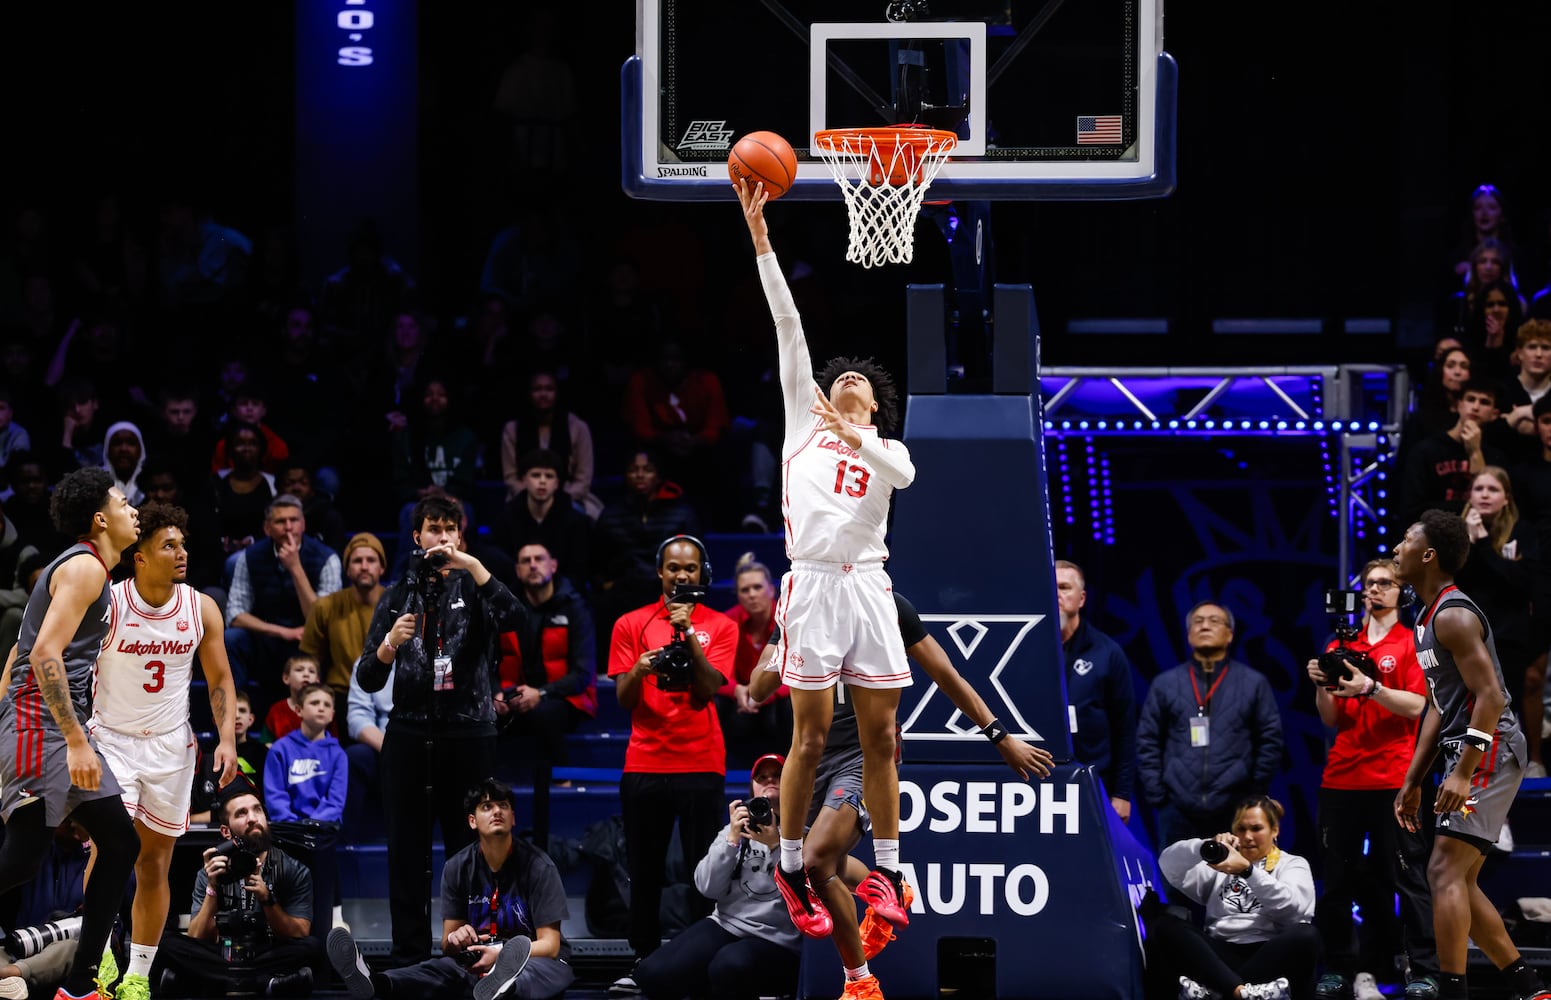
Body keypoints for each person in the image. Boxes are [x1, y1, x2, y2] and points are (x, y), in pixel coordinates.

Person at [737, 177, 917, 1000]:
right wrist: (760, 234)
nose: (848, 386)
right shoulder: (803, 422)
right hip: (810, 585)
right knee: (808, 739)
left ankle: (890, 872)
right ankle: (786, 867)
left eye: (862, 390)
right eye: (840, 382)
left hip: (868, 587)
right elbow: (787, 323)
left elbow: (905, 478)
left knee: (880, 741)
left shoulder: (885, 450)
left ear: (876, 408)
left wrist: (861, 434)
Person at [744, 591, 1054, 979]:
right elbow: (757, 688)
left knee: (816, 859)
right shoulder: (803, 600)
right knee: (830, 865)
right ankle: (888, 896)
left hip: (863, 758)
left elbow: (947, 674)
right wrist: (791, 639)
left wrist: (1000, 736)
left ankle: (859, 981)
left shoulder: (886, 603)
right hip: (809, 758)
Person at [354, 496, 530, 965]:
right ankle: (409, 957)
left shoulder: (477, 589)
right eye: (434, 529)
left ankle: (471, 954)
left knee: (471, 850)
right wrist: (391, 644)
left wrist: (472, 565)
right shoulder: (396, 596)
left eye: (452, 529)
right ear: (417, 537)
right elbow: (368, 677)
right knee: (406, 853)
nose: (443, 537)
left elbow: (519, 620)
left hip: (469, 737)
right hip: (409, 736)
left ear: (462, 537)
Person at [1391, 510, 1551, 1000]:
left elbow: (1493, 698)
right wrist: (1415, 779)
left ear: (1429, 554)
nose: (1398, 547)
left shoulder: (1454, 614)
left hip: (1491, 746)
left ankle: (1453, 993)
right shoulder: (1423, 615)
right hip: (1466, 746)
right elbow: (1441, 707)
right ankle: (1531, 989)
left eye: (1406, 540)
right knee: (1458, 877)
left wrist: (1462, 773)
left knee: (1441, 871)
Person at [0, 466, 143, 1000]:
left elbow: (20, 648)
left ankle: (80, 985)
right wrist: (75, 740)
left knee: (120, 842)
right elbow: (40, 654)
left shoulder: (87, 571)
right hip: (44, 728)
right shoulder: (85, 567)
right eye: (124, 502)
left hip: (51, 726)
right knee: (24, 856)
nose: (134, 510)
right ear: (100, 518)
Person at [89, 500, 240, 1000]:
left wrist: (228, 738)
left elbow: (219, 678)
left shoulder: (200, 607)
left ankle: (136, 976)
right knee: (107, 850)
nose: (181, 554)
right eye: (168, 546)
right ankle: (98, 958)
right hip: (111, 741)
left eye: (183, 544)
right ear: (139, 556)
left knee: (153, 865)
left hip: (172, 748)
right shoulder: (108, 603)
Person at [1305, 559, 1437, 1000]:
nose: (1374, 591)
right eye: (1369, 585)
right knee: (1337, 880)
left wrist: (1370, 688)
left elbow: (1418, 707)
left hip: (1395, 778)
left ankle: (1422, 969)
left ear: (1402, 592)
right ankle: (1338, 967)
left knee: (1406, 877)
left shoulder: (1410, 642)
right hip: (1342, 775)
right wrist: (1322, 685)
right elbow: (1331, 719)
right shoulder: (1342, 643)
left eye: (1385, 583)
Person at [607, 534, 738, 972]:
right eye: (674, 568)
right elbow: (625, 700)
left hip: (701, 763)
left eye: (691, 568)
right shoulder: (630, 623)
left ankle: (700, 961)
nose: (682, 575)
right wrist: (638, 669)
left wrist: (688, 635)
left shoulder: (722, 625)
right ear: (660, 572)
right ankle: (643, 959)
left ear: (703, 574)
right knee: (644, 870)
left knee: (706, 872)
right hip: (645, 762)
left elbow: (708, 689)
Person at [327, 778, 574, 1000]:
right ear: (472, 821)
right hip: (479, 959)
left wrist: (500, 955)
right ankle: (377, 983)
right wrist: (458, 939)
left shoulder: (539, 866)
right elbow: (448, 942)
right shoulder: (458, 866)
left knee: (535, 973)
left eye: (503, 805)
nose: (497, 811)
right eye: (487, 807)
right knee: (437, 969)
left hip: (534, 961)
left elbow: (550, 945)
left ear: (513, 818)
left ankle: (505, 987)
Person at [630, 753, 800, 1000]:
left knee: (728, 966)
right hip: (728, 924)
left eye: (777, 776)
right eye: (762, 777)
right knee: (651, 973)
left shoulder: (802, 833)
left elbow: (806, 895)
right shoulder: (736, 830)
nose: (769, 781)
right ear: (752, 786)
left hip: (781, 937)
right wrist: (731, 841)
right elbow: (706, 887)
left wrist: (776, 846)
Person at [155, 778, 323, 998]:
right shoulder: (211, 870)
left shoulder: (292, 869)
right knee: (165, 943)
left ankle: (203, 982)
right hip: (222, 953)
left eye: (257, 810)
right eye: (241, 813)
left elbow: (299, 934)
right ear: (226, 831)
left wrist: (267, 899)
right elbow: (197, 937)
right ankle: (269, 984)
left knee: (312, 947)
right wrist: (213, 888)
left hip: (268, 951)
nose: (253, 819)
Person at [1136, 601, 1284, 846]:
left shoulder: (1252, 683)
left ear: (1230, 634)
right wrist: (1159, 796)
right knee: (1177, 882)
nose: (1205, 626)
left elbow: (1270, 739)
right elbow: (1147, 740)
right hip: (1176, 809)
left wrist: (1251, 793)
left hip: (1234, 809)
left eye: (1214, 621)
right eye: (1198, 621)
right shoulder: (1166, 683)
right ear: (1188, 634)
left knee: (1230, 882)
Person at [1143, 795, 1319, 1000]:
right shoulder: (1221, 863)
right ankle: (1240, 992)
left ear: (1275, 830)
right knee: (1165, 925)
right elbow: (1168, 864)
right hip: (1218, 955)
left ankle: (1219, 991)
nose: (1248, 837)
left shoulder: (1292, 864)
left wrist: (1247, 871)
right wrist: (1204, 847)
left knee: (1307, 934)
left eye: (1256, 828)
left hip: (1267, 953)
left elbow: (1295, 910)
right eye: (1241, 829)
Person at [1455, 466, 1543, 784]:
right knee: (1469, 709)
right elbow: (1456, 581)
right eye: (1479, 489)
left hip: (1509, 639)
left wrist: (1481, 546)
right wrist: (1470, 542)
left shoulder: (1523, 532)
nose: (1484, 495)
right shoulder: (1457, 533)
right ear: (1470, 496)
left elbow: (1521, 583)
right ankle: (1471, 774)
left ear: (1506, 498)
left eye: (1492, 490)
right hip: (1467, 640)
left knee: (1505, 708)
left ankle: (1512, 774)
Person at [224, 495, 342, 700]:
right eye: (280, 521)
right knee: (231, 638)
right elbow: (235, 615)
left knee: (330, 638)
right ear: (267, 528)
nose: (288, 527)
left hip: (308, 641)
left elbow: (322, 620)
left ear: (303, 524)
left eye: (294, 520)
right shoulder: (249, 557)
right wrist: (282, 632)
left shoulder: (327, 558)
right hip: (267, 637)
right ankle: (237, 710)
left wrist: (295, 568)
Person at [493, 541, 595, 774]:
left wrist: (541, 694)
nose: (533, 565)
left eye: (539, 559)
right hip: (514, 695)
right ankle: (489, 785)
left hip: (565, 698)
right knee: (482, 714)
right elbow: (488, 661)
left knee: (544, 714)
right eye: (526, 561)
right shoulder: (505, 609)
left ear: (553, 566)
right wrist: (495, 691)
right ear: (517, 570)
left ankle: (562, 780)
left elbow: (583, 673)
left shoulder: (575, 608)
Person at [1055, 559, 1137, 821]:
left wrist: (1122, 794)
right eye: (1050, 586)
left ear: (1081, 598)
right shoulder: (1026, 647)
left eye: (1064, 587)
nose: (1056, 593)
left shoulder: (1107, 653)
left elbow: (1125, 729)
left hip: (1094, 780)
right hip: (1042, 779)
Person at [716, 554, 791, 770]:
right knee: (714, 702)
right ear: (737, 595)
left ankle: (792, 770)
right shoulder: (727, 622)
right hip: (741, 703)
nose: (752, 595)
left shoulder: (789, 619)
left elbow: (798, 670)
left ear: (771, 590)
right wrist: (737, 690)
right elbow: (716, 670)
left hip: (776, 698)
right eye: (745, 590)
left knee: (792, 704)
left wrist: (766, 693)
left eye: (757, 588)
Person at [499, 369, 601, 518]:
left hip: (569, 496)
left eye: (549, 389)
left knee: (583, 518)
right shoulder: (512, 429)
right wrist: (535, 496)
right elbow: (511, 478)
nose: (543, 394)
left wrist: (557, 500)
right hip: (524, 496)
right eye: (537, 389)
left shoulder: (578, 427)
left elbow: (583, 479)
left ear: (557, 393)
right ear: (529, 393)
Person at [299, 532, 388, 702]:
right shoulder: (325, 606)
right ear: (347, 569)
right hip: (341, 693)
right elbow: (311, 659)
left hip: (388, 694)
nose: (364, 566)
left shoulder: (397, 603)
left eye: (371, 560)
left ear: (382, 568)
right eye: (357, 561)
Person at [491, 450, 591, 591]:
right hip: (516, 595)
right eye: (536, 475)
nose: (542, 481)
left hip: (564, 596)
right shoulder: (506, 518)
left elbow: (578, 572)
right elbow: (502, 568)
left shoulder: (576, 521)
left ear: (557, 483)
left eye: (549, 476)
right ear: (524, 479)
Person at [264, 654, 332, 740]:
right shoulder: (276, 710)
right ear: (286, 678)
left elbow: (332, 743)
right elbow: (266, 743)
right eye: (299, 670)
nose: (306, 674)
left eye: (311, 671)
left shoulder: (323, 709)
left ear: (317, 680)